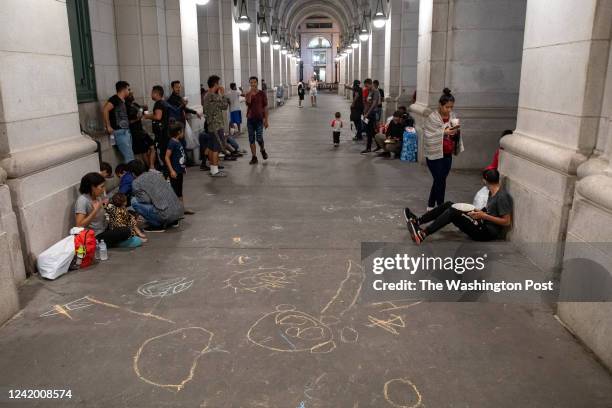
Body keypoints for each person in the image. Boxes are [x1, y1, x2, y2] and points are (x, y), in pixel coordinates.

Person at [404, 169, 513, 244]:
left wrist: (483, 216)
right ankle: (417, 221)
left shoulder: (502, 196)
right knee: (449, 204)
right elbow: (490, 211)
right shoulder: (491, 191)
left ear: (485, 180)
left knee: (453, 211)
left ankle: (423, 234)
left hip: (486, 233)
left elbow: (507, 221)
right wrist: (478, 212)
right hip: (482, 222)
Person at [423, 88, 464, 210]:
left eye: (451, 107)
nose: (449, 110)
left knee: (440, 180)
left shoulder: (453, 116)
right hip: (434, 154)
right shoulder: (433, 117)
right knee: (440, 180)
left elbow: (455, 134)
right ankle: (440, 206)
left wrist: (455, 131)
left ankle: (431, 205)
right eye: (447, 107)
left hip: (447, 153)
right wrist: (444, 132)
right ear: (440, 105)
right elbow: (428, 135)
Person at [74, 172, 139, 248]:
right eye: (101, 187)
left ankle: (114, 241)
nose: (103, 189)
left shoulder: (97, 197)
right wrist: (95, 211)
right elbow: (79, 225)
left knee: (130, 214)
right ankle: (108, 244)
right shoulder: (82, 200)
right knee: (126, 231)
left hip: (105, 228)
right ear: (92, 187)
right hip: (95, 236)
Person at [130, 160, 183, 232]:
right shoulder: (156, 174)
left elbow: (145, 200)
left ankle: (158, 225)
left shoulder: (136, 182)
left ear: (133, 173)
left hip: (166, 214)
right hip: (178, 211)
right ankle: (172, 221)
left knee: (134, 201)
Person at [202, 75, 230, 177]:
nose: (220, 85)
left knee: (210, 147)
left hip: (210, 124)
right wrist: (223, 94)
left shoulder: (206, 95)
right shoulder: (213, 96)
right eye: (218, 83)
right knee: (216, 148)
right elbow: (224, 106)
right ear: (215, 84)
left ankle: (213, 168)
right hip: (216, 125)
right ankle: (214, 170)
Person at [164, 122, 194, 215]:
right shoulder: (172, 142)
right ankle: (174, 211)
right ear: (178, 132)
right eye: (182, 131)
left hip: (179, 171)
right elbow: (166, 157)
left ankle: (182, 209)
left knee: (179, 191)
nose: (183, 133)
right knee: (174, 191)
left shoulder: (177, 141)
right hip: (175, 172)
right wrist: (172, 170)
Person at [103, 81, 134, 163]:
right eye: (128, 89)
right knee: (129, 157)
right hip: (120, 131)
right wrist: (108, 126)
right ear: (123, 89)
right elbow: (105, 109)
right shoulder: (114, 99)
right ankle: (131, 174)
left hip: (126, 131)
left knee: (129, 155)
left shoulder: (124, 100)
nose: (129, 91)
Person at [143, 85, 170, 173]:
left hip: (161, 133)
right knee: (156, 149)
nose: (151, 95)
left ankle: (154, 167)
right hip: (165, 132)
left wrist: (147, 116)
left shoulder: (158, 104)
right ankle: (154, 167)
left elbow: (158, 117)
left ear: (156, 93)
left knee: (157, 150)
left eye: (152, 93)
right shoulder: (164, 103)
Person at [126, 92, 155, 169]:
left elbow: (141, 109)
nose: (132, 95)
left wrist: (144, 108)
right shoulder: (126, 107)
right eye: (130, 94)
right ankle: (150, 169)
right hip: (135, 132)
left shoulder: (134, 104)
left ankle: (151, 167)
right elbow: (128, 122)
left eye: (132, 94)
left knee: (152, 146)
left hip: (141, 131)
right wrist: (138, 118)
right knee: (144, 152)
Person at [245, 76, 269, 165]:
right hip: (250, 119)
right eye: (251, 83)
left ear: (257, 83)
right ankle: (254, 157)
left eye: (254, 82)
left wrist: (266, 120)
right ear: (250, 84)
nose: (253, 84)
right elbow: (248, 103)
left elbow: (265, 107)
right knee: (251, 139)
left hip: (259, 119)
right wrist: (250, 94)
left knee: (259, 138)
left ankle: (262, 150)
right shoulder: (248, 93)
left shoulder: (262, 94)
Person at [360, 78, 381, 154]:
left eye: (366, 86)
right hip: (367, 114)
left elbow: (374, 104)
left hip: (372, 114)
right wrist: (364, 112)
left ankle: (369, 148)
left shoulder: (375, 91)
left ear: (370, 83)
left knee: (370, 131)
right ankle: (378, 144)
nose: (366, 87)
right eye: (365, 86)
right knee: (370, 131)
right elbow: (367, 103)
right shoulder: (369, 91)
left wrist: (367, 114)